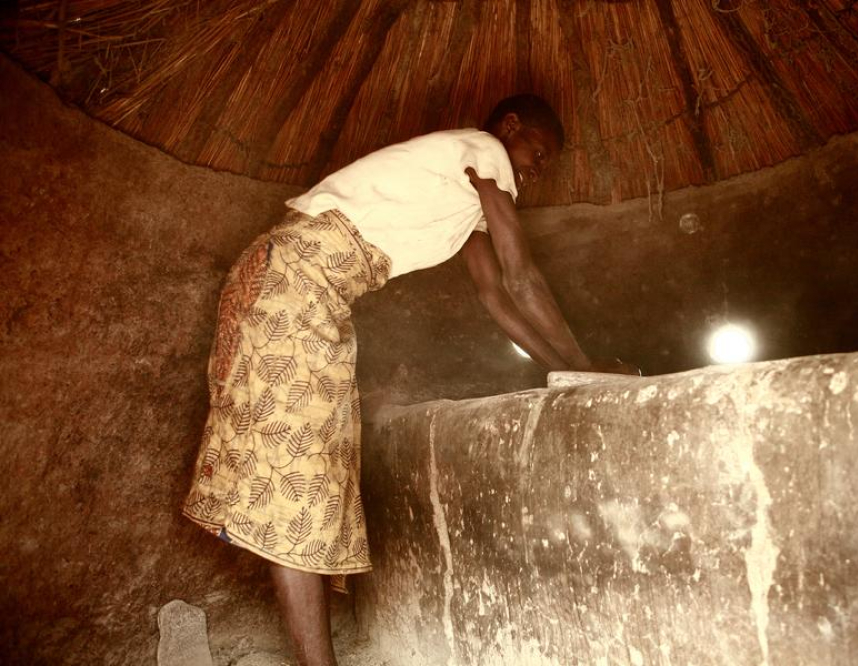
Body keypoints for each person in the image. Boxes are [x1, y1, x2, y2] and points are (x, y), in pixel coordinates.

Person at [182, 94, 635, 666]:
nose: (537, 169)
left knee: (310, 479)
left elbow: (496, 297)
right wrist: (589, 368)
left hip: (300, 289)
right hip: (292, 285)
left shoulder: (470, 197)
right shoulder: (484, 152)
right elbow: (522, 278)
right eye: (538, 152)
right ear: (510, 127)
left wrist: (565, 371)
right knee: (301, 479)